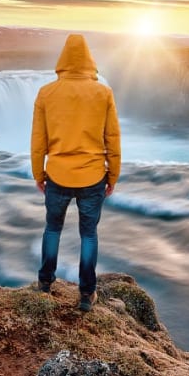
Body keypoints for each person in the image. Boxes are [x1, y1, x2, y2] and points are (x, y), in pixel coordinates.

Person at [31, 34, 121, 312]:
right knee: (89, 235)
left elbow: (38, 140)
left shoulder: (46, 93)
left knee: (52, 228)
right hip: (93, 176)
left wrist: (38, 174)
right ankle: (86, 294)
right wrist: (113, 175)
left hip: (57, 175)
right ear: (89, 60)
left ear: (63, 61)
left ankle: (45, 283)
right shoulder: (103, 92)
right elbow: (112, 138)